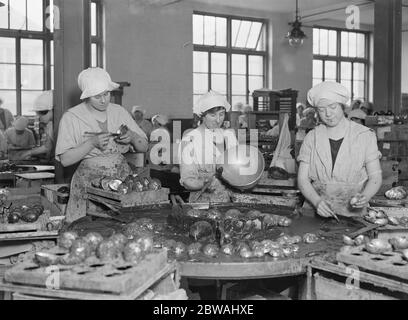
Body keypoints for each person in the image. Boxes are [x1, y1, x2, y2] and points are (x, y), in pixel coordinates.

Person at [55, 67, 148, 223]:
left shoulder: (119, 112)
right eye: (97, 97)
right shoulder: (71, 117)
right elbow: (65, 160)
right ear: (87, 96)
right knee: (86, 229)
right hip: (89, 181)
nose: (104, 100)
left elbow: (144, 147)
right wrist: (91, 143)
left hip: (121, 179)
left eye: (107, 94)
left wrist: (132, 136)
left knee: (122, 228)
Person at [297, 81, 382, 218]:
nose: (328, 114)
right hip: (316, 211)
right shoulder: (311, 137)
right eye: (321, 109)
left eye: (332, 107)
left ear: (342, 106)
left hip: (354, 214)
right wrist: (317, 201)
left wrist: (365, 196)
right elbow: (302, 179)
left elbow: (375, 176)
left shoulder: (365, 135)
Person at [179, 90, 238, 203]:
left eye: (221, 114)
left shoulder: (229, 136)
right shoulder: (190, 139)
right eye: (212, 115)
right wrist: (208, 181)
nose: (218, 120)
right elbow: (188, 180)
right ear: (202, 115)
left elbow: (237, 168)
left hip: (229, 200)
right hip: (202, 202)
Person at [19, 91, 54, 161]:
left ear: (51, 110)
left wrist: (29, 153)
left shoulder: (62, 123)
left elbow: (47, 147)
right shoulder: (50, 125)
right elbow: (47, 146)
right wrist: (29, 153)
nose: (39, 116)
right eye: (37, 113)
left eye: (41, 113)